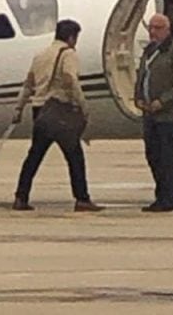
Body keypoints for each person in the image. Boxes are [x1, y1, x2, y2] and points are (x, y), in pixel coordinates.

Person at [12, 19, 104, 212]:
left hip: (40, 111)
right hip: (59, 111)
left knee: (34, 156)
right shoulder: (68, 54)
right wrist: (83, 106)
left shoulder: (40, 55)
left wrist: (19, 109)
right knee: (74, 157)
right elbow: (70, 78)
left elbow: (28, 85)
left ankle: (21, 196)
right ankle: (82, 198)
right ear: (71, 37)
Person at [135, 13, 173, 212]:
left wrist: (163, 101)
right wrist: (139, 97)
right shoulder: (149, 51)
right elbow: (142, 75)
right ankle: (160, 196)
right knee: (153, 155)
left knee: (169, 157)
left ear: (167, 30)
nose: (152, 32)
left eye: (157, 28)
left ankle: (170, 199)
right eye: (150, 27)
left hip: (169, 115)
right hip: (150, 114)